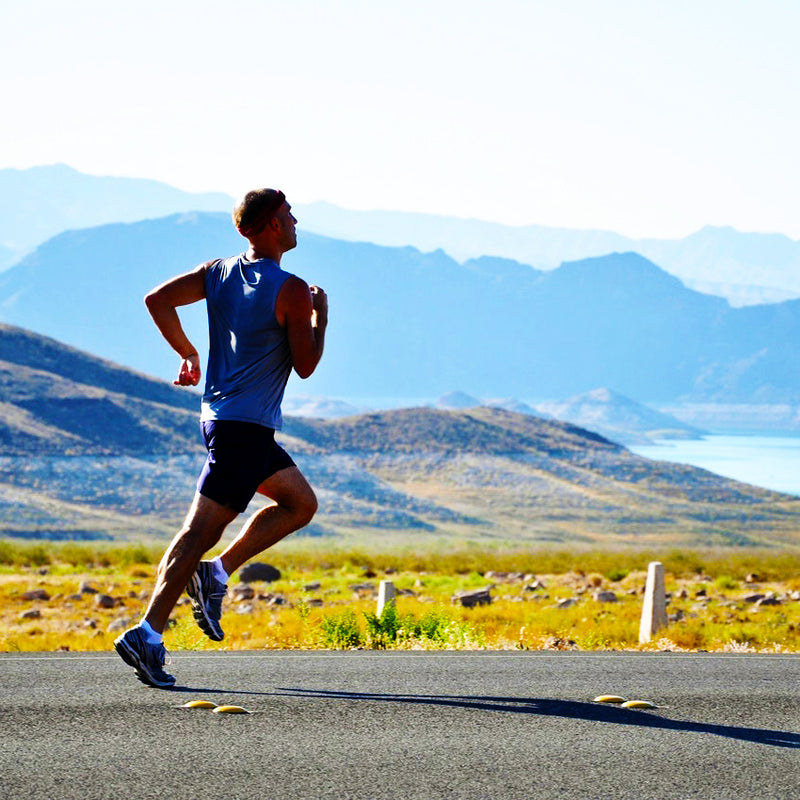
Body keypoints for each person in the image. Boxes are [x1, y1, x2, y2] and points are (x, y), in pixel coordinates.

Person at [114, 189, 327, 687]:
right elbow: (306, 365)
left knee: (299, 503)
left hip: (225, 421)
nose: (296, 222)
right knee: (197, 532)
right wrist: (321, 316)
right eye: (290, 216)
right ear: (272, 224)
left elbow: (157, 300)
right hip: (244, 430)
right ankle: (147, 632)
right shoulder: (292, 290)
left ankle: (216, 573)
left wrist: (188, 353)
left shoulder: (218, 272)